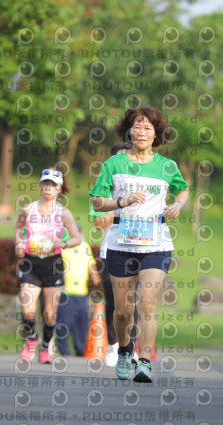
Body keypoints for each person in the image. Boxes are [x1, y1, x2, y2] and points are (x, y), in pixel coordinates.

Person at [90, 106, 189, 383]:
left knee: (147, 304)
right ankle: (124, 350)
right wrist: (122, 202)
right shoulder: (114, 164)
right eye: (137, 126)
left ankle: (144, 362)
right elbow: (98, 201)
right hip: (120, 243)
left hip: (156, 244)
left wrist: (178, 205)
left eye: (148, 128)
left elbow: (183, 189)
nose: (142, 132)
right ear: (129, 131)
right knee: (122, 311)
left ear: (156, 134)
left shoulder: (167, 166)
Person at [14, 168, 82, 363]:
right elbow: (18, 229)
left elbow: (77, 238)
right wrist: (19, 243)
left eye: (52, 185)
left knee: (50, 314)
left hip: (53, 264)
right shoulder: (28, 209)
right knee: (27, 310)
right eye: (45, 184)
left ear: (59, 189)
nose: (48, 188)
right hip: (31, 262)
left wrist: (64, 243)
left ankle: (46, 347)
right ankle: (32, 339)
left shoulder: (63, 213)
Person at [89, 142, 140, 367]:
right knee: (114, 303)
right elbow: (99, 222)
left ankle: (132, 347)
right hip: (110, 250)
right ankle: (113, 346)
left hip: (137, 249)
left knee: (133, 301)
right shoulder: (105, 189)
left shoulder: (142, 187)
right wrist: (122, 207)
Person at [55, 225, 102, 356]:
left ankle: (80, 349)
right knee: (64, 322)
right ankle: (64, 350)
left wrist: (95, 276)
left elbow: (90, 263)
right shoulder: (62, 247)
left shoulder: (85, 246)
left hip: (81, 292)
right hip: (66, 292)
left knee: (81, 323)